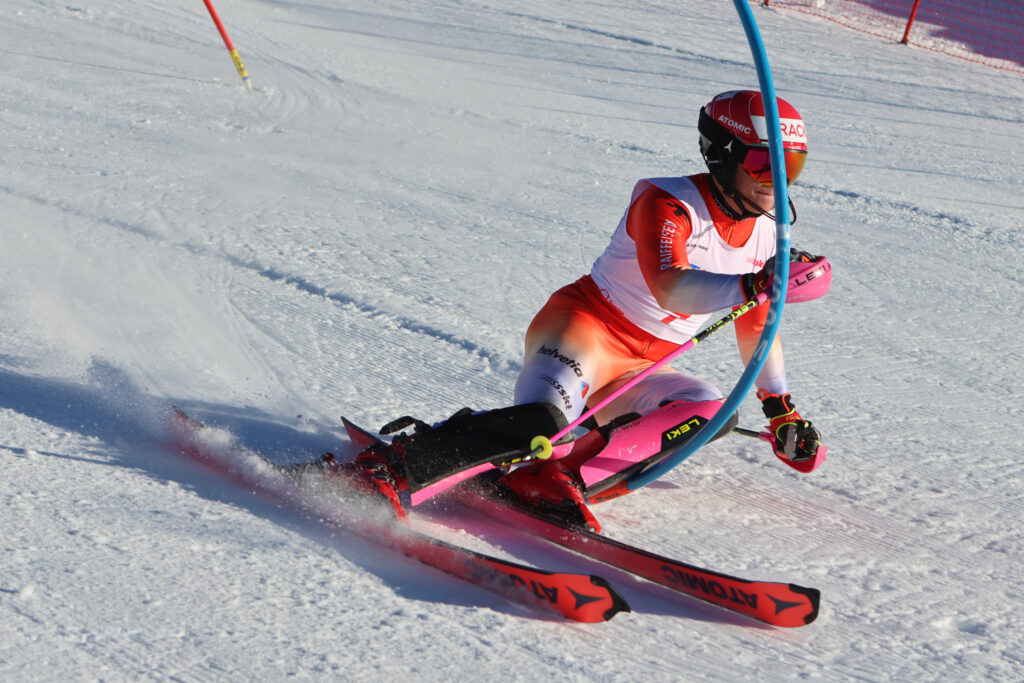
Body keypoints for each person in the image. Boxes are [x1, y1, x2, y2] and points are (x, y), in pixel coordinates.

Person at [339, 90, 829, 531]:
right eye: (765, 165)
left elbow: (757, 322)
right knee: (545, 425)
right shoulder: (667, 201)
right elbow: (671, 288)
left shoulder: (768, 232)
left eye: (792, 168)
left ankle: (555, 478)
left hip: (644, 365)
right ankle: (396, 463)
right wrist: (755, 282)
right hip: (584, 333)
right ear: (723, 155)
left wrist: (780, 411)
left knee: (712, 412)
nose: (778, 183)